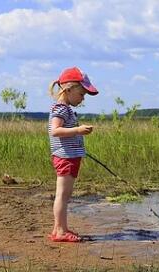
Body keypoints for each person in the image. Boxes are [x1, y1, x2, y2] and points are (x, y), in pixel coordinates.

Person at [47, 67, 98, 242]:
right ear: (68, 90)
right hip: (65, 156)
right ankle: (60, 231)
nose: (83, 98)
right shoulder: (61, 108)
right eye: (81, 94)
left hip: (69, 156)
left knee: (65, 195)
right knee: (62, 194)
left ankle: (58, 229)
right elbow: (55, 130)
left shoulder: (65, 108)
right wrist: (78, 130)